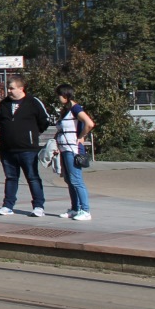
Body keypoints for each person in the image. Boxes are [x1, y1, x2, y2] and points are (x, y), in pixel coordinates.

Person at [0, 75, 51, 217]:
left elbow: (44, 121)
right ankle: (8, 205)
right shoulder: (4, 104)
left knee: (32, 177)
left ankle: (38, 206)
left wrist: (32, 134)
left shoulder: (33, 102)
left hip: (28, 149)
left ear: (21, 88)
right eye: (8, 88)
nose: (9, 91)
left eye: (12, 88)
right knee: (11, 177)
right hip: (8, 149)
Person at [54, 83, 94, 221]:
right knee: (70, 180)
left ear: (65, 95)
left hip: (73, 149)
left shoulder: (76, 108)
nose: (58, 98)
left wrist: (81, 136)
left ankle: (85, 210)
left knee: (76, 180)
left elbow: (89, 123)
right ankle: (75, 208)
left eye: (59, 95)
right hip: (65, 148)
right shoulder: (67, 110)